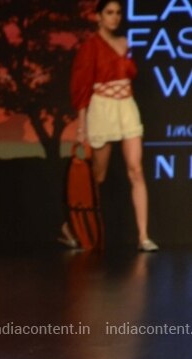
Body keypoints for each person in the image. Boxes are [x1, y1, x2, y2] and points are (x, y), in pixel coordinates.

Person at [68, 0, 157, 252]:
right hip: (102, 107)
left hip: (126, 106)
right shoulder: (90, 47)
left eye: (118, 13)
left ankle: (143, 236)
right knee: (99, 176)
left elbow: (130, 74)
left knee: (136, 170)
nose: (115, 17)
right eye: (109, 12)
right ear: (98, 16)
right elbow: (82, 85)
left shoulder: (125, 43)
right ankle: (74, 226)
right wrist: (82, 126)